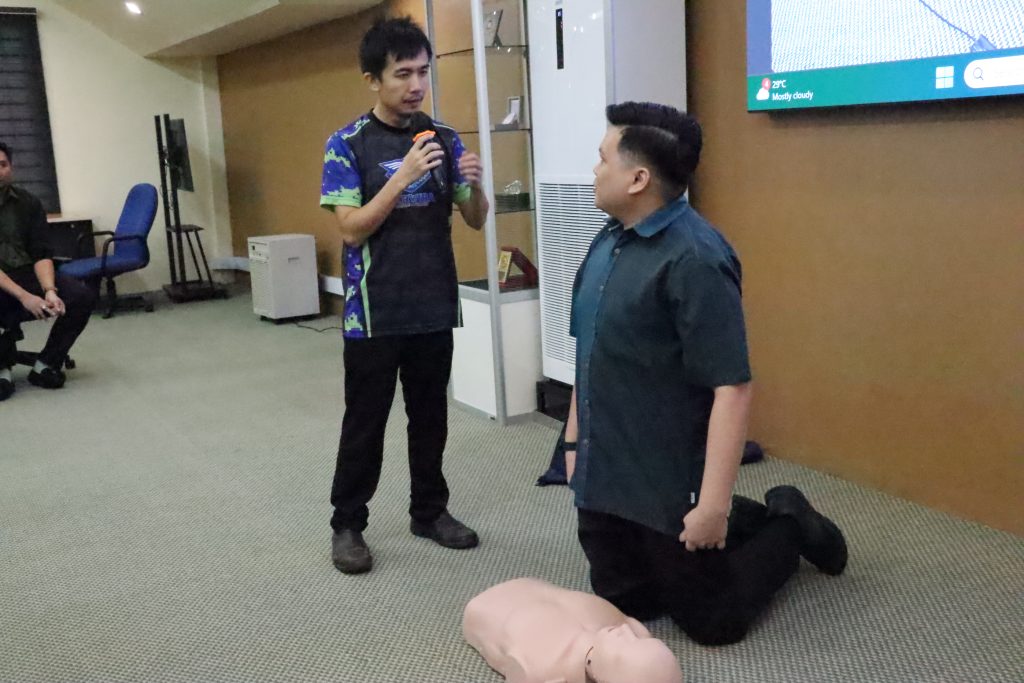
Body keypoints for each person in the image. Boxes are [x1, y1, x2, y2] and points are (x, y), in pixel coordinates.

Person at [563, 102, 848, 645]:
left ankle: (789, 522)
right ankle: (741, 518)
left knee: (714, 624)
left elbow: (732, 388)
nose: (595, 170)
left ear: (638, 179)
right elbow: (588, 354)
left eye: (603, 159)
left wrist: (712, 507)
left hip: (669, 479)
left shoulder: (696, 260)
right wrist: (574, 444)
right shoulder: (609, 239)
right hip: (607, 474)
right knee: (629, 603)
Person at [320, 17, 490, 574]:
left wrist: (475, 184)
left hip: (433, 304)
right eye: (402, 74)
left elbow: (474, 218)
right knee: (365, 423)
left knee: (430, 418)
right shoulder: (347, 145)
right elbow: (351, 229)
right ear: (373, 79)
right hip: (373, 310)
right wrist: (403, 176)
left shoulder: (445, 138)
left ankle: (429, 512)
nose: (416, 85)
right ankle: (348, 524)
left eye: (423, 72)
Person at [0, 142, 97, 401]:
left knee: (80, 296)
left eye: (2, 165)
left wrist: (49, 291)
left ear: (11, 167)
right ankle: (1, 369)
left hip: (25, 273)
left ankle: (47, 363)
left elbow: (41, 252)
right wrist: (25, 297)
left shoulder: (28, 203)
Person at [463, 578, 683, 683]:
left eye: (621, 652)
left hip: (490, 608)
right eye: (639, 640)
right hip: (515, 595)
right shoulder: (622, 625)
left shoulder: (541, 671)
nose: (625, 632)